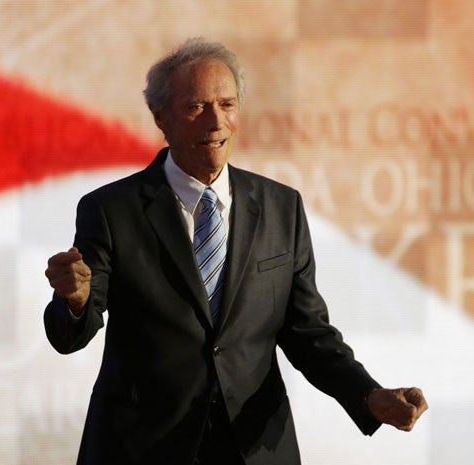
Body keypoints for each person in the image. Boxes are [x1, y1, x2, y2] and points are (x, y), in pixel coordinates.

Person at [44, 37, 427, 465]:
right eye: (196, 107)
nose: (215, 122)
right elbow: (69, 334)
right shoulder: (110, 210)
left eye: (227, 105)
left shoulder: (283, 208)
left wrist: (367, 394)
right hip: (144, 447)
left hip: (255, 447)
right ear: (160, 117)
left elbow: (308, 333)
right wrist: (75, 301)